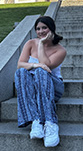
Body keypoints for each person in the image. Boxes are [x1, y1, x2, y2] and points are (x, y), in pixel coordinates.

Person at [15, 16, 66, 148]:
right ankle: (36, 120)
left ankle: (50, 123)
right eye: (38, 29)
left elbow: (46, 65)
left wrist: (42, 44)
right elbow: (20, 65)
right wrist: (35, 65)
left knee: (41, 72)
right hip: (33, 88)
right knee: (21, 73)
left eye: (44, 28)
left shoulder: (60, 50)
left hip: (53, 87)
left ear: (51, 29)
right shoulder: (30, 43)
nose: (41, 31)